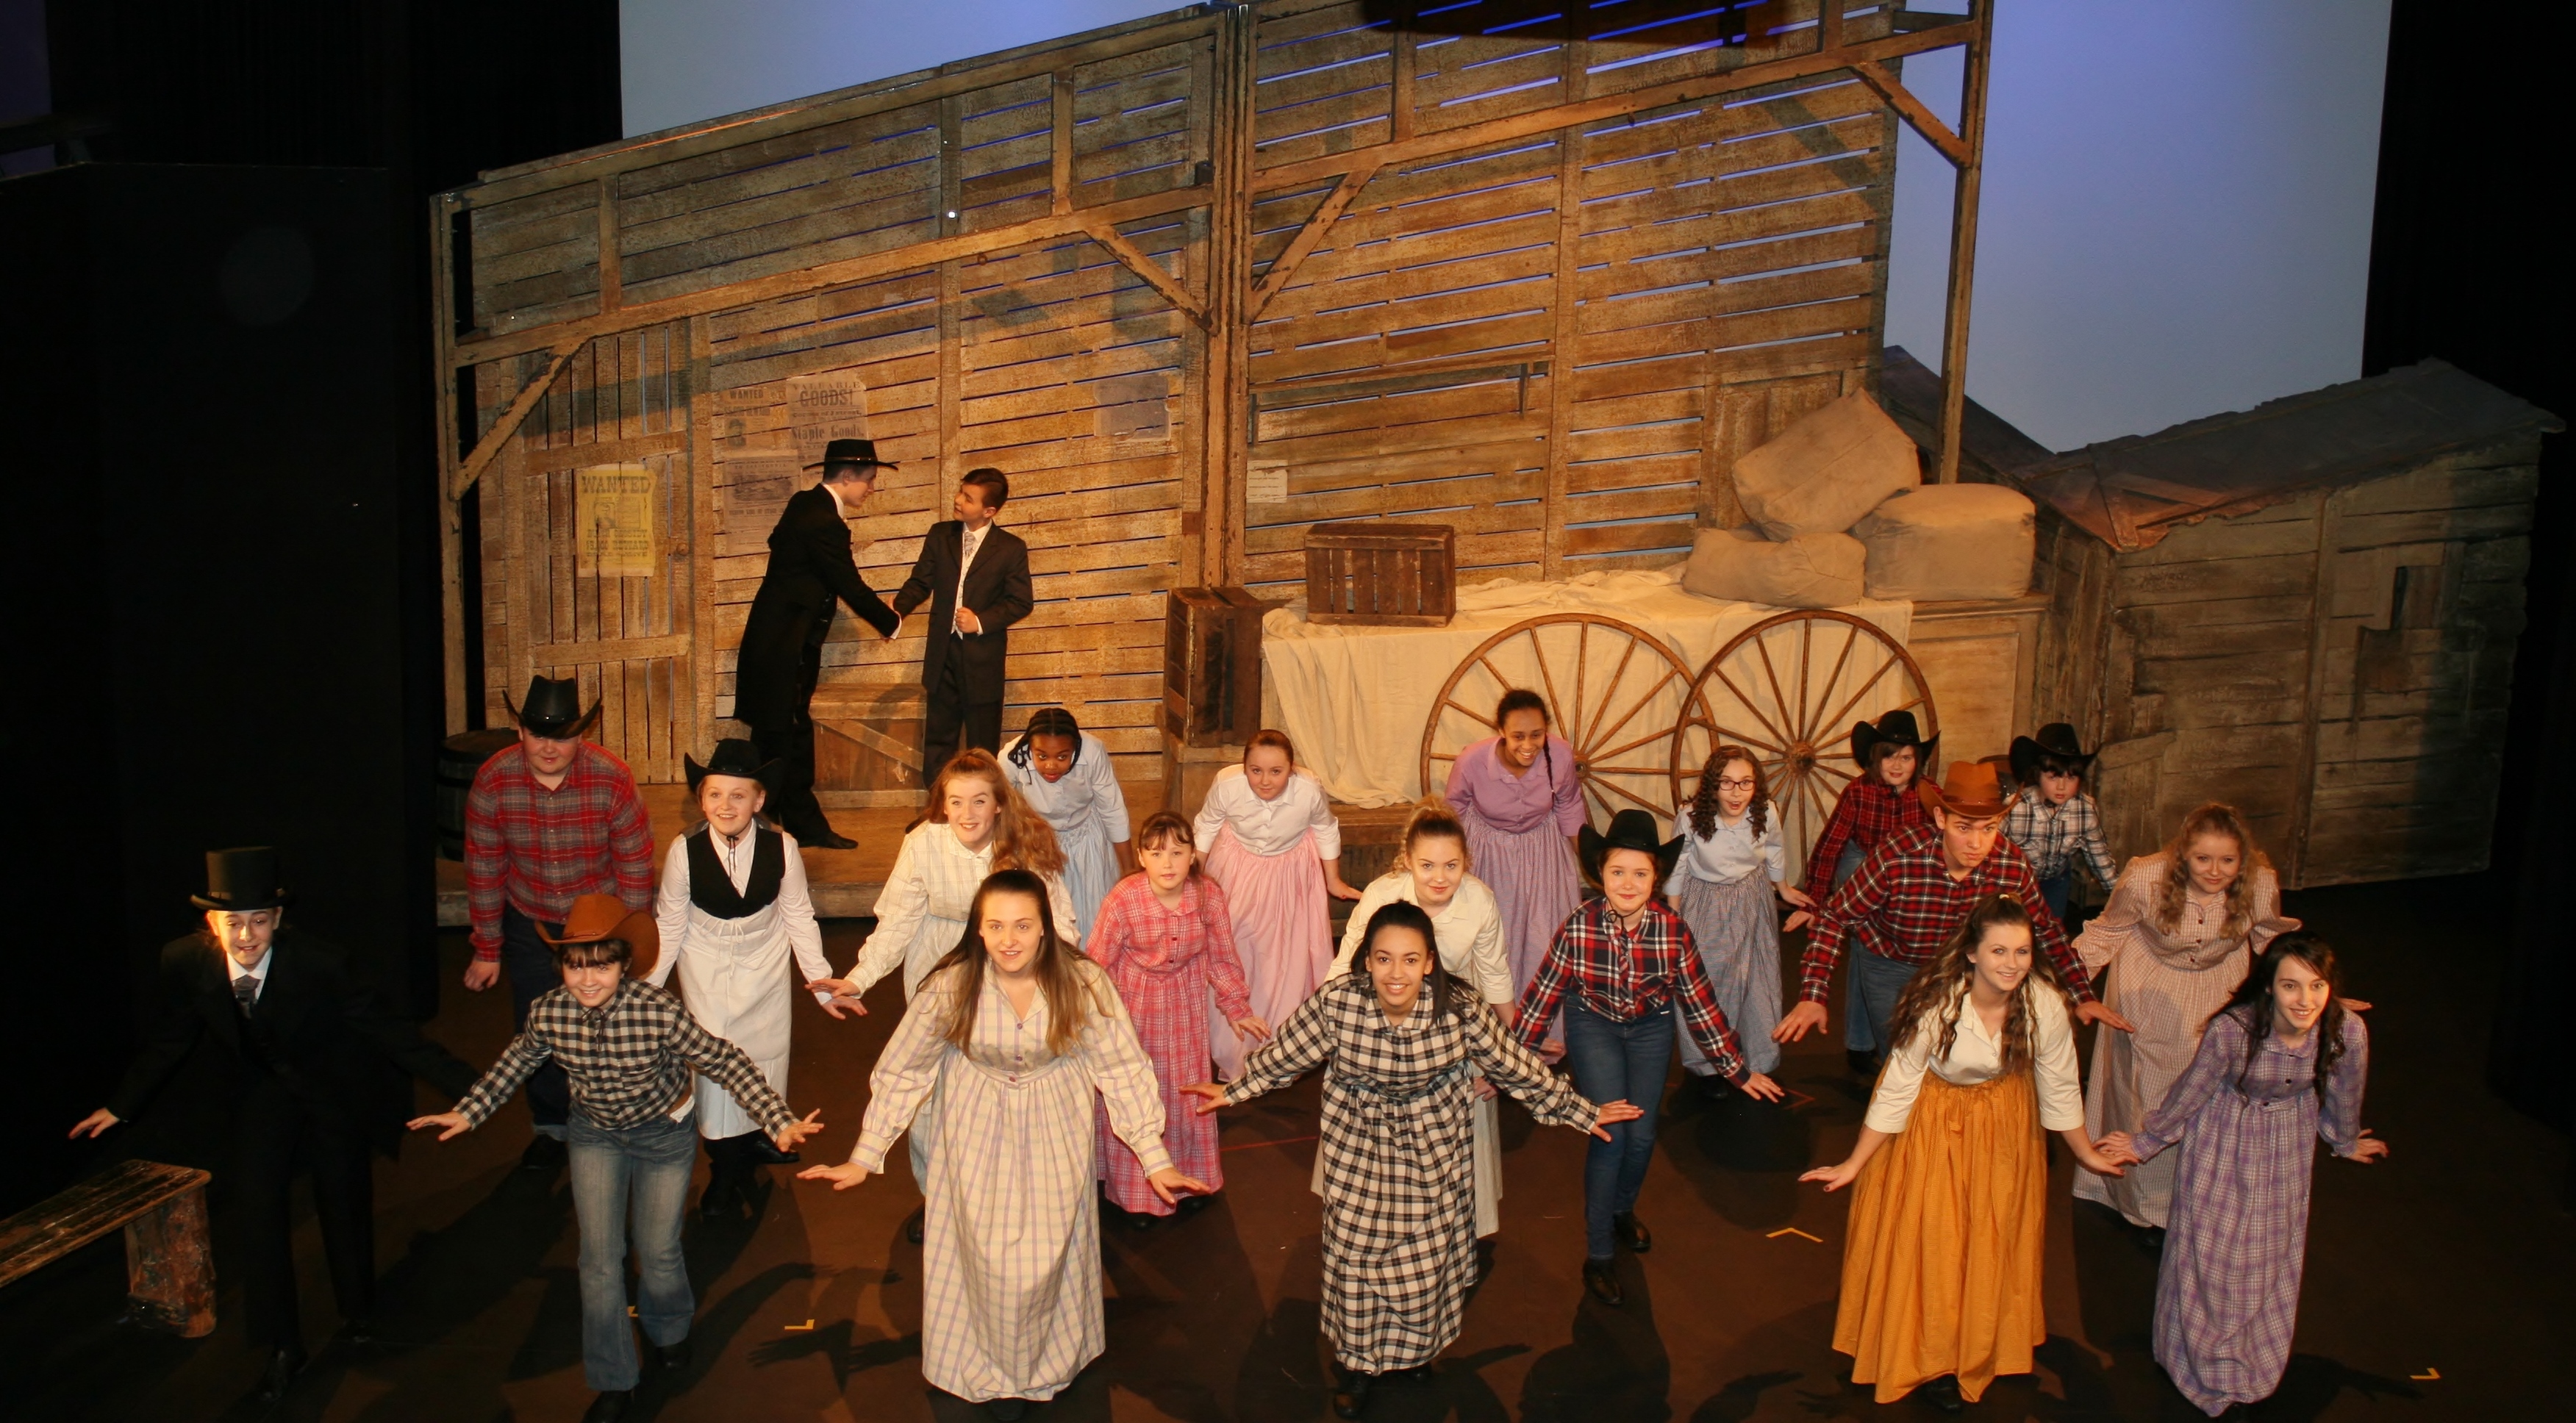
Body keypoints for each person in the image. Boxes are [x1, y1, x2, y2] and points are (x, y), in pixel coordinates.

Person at [1185, 902, 1636, 1419]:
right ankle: (1357, 1365)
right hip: (1358, 1152)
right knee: (1355, 1261)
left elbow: (1514, 1067)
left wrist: (1581, 1111)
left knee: (1424, 1264)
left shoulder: (1460, 1008)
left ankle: (1411, 1355)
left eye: (1409, 959)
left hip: (1433, 1156)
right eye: (1383, 959)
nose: (1395, 973)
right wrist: (1235, 1089)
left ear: (1429, 962)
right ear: (1367, 961)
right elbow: (1286, 1053)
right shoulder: (1339, 1003)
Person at [71, 848, 480, 1410]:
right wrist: (121, 1106)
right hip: (264, 1092)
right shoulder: (186, 961)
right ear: (212, 923)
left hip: (333, 1088)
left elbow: (394, 1034)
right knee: (259, 1213)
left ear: (279, 920)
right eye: (233, 923)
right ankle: (284, 1346)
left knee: (343, 1200)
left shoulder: (322, 964)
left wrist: (478, 1089)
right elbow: (171, 1037)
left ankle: (358, 1308)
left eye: (259, 921)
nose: (246, 937)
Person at [799, 871, 1205, 1421]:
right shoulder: (952, 985)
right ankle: (985, 1368)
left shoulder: (1083, 981)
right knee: (981, 1252)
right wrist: (865, 1155)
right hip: (976, 1126)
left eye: (1022, 926)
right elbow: (904, 1069)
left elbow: (1121, 1066)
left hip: (1055, 1125)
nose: (1008, 940)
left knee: (1047, 1250)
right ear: (978, 928)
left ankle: (1042, 1364)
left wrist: (1153, 1158)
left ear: (1045, 928)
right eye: (995, 926)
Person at [409, 895, 826, 1423]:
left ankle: (669, 1329)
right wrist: (469, 1112)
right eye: (575, 966)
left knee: (658, 1251)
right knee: (599, 1263)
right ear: (561, 966)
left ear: (624, 965)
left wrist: (777, 1119)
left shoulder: (657, 1010)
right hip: (596, 1136)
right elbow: (517, 1061)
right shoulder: (549, 1012)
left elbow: (723, 1059)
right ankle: (614, 1380)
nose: (588, 980)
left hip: (663, 1137)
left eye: (602, 966)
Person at [1800, 894, 2128, 1413]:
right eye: (1999, 951)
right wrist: (1854, 1163)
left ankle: (1976, 1344)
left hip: (2005, 1125)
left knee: (1991, 1237)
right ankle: (1932, 1359)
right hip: (1934, 1125)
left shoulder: (2044, 1002)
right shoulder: (1939, 1003)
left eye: (2022, 952)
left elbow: (2061, 1084)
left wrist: (2086, 1153)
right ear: (1972, 953)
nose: (2012, 964)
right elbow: (1898, 1086)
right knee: (1937, 1240)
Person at [2097, 934, 2383, 1418]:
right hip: (2224, 1136)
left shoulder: (2345, 1031)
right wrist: (2145, 1142)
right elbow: (2192, 1091)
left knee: (2267, 1254)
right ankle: (2197, 1357)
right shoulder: (2233, 1031)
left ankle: (2246, 1357)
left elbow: (2344, 1090)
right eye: (2291, 986)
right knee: (2211, 1252)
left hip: (2287, 1143)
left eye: (2317, 986)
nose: (2305, 1000)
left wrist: (2344, 1138)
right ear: (2269, 986)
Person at [1514, 809, 1786, 1308]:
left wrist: (1736, 1069)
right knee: (1611, 1133)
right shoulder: (1579, 927)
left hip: (1649, 1027)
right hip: (1593, 1023)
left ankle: (1622, 1210)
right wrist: (1508, 1067)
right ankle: (1598, 1254)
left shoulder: (1673, 931)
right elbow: (1541, 999)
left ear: (1656, 879)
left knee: (1641, 1136)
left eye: (1640, 874)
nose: (1628, 883)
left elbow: (1701, 1004)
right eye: (1617, 872)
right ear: (1600, 874)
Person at [804, 749, 1078, 1216]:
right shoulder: (923, 843)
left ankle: (996, 1196)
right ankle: (936, 1200)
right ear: (943, 805)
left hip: (1005, 971)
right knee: (929, 1090)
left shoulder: (1025, 847)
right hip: (937, 970)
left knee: (997, 1085)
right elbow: (898, 920)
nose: (966, 814)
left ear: (998, 804)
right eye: (956, 802)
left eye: (979, 801)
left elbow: (1059, 923)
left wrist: (1065, 982)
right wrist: (859, 977)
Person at [1776, 761, 2130, 1073]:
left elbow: (2045, 929)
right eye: (1964, 828)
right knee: (1901, 1059)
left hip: (1961, 967)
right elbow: (1836, 918)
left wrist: (2082, 994)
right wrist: (1813, 994)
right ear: (1941, 819)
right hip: (1891, 962)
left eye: (1988, 828)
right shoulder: (1900, 855)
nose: (1977, 843)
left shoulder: (2009, 865)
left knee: (1958, 1059)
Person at [645, 739, 854, 1219]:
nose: (726, 805)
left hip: (765, 964)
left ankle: (760, 1134)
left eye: (739, 795)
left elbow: (798, 914)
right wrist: (648, 990)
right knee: (717, 1067)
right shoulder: (684, 851)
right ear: (702, 800)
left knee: (765, 1058)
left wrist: (821, 982)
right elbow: (670, 924)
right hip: (707, 967)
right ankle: (724, 1169)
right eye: (715, 794)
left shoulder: (783, 846)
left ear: (759, 801)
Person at [462, 673, 656, 1171]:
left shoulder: (612, 777)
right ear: (520, 731)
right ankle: (552, 1127)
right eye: (538, 734)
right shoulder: (494, 779)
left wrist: (629, 942)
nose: (549, 747)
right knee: (538, 1028)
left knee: (608, 1026)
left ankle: (614, 1123)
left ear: (581, 735)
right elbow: (484, 866)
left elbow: (635, 865)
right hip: (530, 920)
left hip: (596, 925)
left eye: (563, 736)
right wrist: (488, 947)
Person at [2074, 802, 2297, 1231]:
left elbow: (2272, 940)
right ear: (2183, 855)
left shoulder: (2260, 882)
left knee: (2206, 1094)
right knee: (2147, 1095)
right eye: (2202, 859)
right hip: (2149, 984)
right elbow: (2108, 930)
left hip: (2219, 989)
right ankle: (2142, 1209)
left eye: (2227, 861)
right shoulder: (2146, 877)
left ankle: (2192, 1200)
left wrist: (2308, 986)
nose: (2215, 871)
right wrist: (2069, 987)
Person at [1328, 798, 1514, 1244]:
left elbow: (1495, 979)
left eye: (1452, 866)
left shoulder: (1479, 900)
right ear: (1407, 860)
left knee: (1449, 1147)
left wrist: (1505, 1058)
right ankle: (1378, 1228)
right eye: (1427, 865)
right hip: (1384, 1031)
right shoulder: (1382, 895)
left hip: (1452, 1032)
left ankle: (1447, 1232)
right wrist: (1334, 1034)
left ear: (1466, 862)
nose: (1439, 878)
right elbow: (1344, 967)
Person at [1084, 810, 1267, 1228]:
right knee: (1138, 1091)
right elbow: (1095, 965)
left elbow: (1221, 957)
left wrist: (1237, 1007)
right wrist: (1090, 1020)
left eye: (1177, 853)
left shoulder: (1208, 896)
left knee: (1184, 1095)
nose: (1167, 863)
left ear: (1192, 856)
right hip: (1134, 1009)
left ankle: (1191, 1182)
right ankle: (1136, 1193)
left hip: (1185, 1007)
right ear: (1141, 857)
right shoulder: (1124, 898)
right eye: (1156, 853)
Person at [734, 437, 904, 849]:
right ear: (846, 476)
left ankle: (770, 822)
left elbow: (791, 557)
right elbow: (847, 582)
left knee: (775, 735)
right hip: (786, 645)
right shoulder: (824, 520)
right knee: (788, 736)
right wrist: (890, 622)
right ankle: (797, 827)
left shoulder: (804, 503)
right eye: (868, 480)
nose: (871, 488)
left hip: (775, 641)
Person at [1193, 729, 1362, 1078]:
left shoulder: (1309, 790)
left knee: (1282, 957)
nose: (1265, 781)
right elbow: (1207, 826)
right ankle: (1232, 1043)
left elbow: (1325, 828)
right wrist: (1194, 879)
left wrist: (1333, 880)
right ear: (1244, 767)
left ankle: (1276, 1048)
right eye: (1255, 771)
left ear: (1292, 769)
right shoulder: (1227, 785)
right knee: (1235, 949)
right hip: (1237, 871)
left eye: (1276, 771)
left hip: (1289, 876)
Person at [1667, 745, 1814, 1093]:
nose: (1736, 793)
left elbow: (1775, 849)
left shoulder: (1766, 812)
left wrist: (1783, 888)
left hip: (1752, 896)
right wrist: (1674, 916)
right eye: (1727, 783)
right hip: (1706, 900)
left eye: (1745, 783)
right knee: (1709, 980)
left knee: (1757, 976)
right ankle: (1708, 1064)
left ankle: (1757, 1057)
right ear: (1712, 785)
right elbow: (1678, 864)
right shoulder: (1691, 817)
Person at [1442, 688, 1586, 1039]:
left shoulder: (1560, 754)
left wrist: (1589, 862)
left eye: (1537, 735)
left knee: (1544, 936)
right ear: (1501, 732)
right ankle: (1490, 1033)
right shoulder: (1472, 761)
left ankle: (1543, 1035)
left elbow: (1569, 805)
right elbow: (1452, 813)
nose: (1528, 745)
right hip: (1489, 852)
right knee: (1495, 936)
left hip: (1542, 850)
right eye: (1518, 736)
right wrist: (1450, 866)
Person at [895, 466, 1034, 783]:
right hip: (942, 653)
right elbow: (920, 582)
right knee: (938, 737)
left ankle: (983, 799)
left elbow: (1021, 602)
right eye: (961, 491)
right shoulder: (939, 534)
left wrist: (980, 621)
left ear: (989, 511)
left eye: (968, 498)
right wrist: (895, 611)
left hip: (983, 659)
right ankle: (937, 802)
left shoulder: (1011, 548)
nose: (958, 500)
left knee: (982, 741)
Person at [1001, 705, 1134, 935]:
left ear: (1075, 748)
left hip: (1086, 837)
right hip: (1037, 842)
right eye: (1042, 756)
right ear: (1030, 748)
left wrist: (1129, 868)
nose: (1051, 765)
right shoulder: (1011, 758)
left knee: (1093, 911)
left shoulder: (1092, 752)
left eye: (1062, 756)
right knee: (1046, 912)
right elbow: (1000, 806)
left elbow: (1112, 809)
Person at [1799, 709, 1936, 905]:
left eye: (1906, 758)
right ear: (1876, 758)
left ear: (1917, 761)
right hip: (1864, 854)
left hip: (1911, 861)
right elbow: (1830, 845)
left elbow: (1947, 840)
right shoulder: (1858, 791)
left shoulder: (1929, 792)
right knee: (1858, 905)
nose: (1897, 766)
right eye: (1889, 757)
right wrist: (1814, 899)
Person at [2001, 723, 2117, 925]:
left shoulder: (2085, 810)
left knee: (2052, 928)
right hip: (2015, 882)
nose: (2062, 787)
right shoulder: (2015, 807)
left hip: (2055, 881)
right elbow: (1992, 854)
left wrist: (2123, 898)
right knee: (2015, 928)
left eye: (2071, 778)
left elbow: (2101, 861)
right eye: (2053, 777)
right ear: (2038, 775)